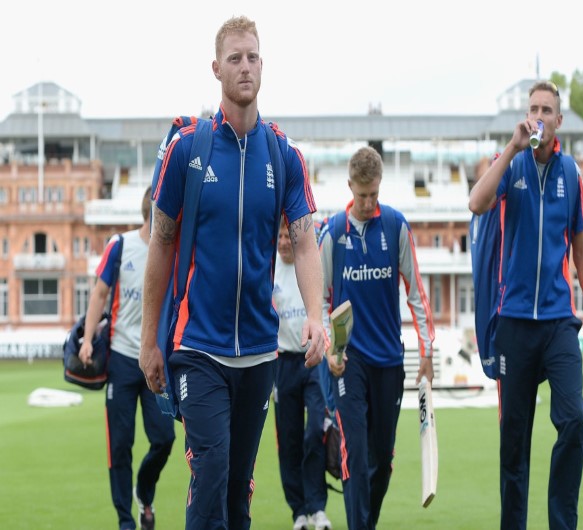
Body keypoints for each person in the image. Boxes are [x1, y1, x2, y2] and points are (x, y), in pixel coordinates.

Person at [139, 15, 325, 530]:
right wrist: (149, 341)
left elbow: (306, 239)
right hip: (198, 347)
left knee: (239, 494)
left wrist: (316, 315)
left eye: (253, 57)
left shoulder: (283, 154)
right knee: (212, 472)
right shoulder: (187, 149)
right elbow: (162, 243)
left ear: (263, 66)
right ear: (216, 68)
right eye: (235, 58)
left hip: (260, 352)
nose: (245, 67)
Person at [468, 80, 583, 530]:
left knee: (574, 421)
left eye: (547, 109)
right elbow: (476, 201)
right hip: (513, 324)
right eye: (533, 108)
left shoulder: (570, 174)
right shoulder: (511, 164)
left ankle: (562, 523)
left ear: (559, 120)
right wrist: (511, 147)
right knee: (514, 445)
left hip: (559, 324)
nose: (539, 115)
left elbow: (581, 248)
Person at [319, 146, 435, 529]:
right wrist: (330, 350)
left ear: (380, 186)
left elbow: (416, 293)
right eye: (361, 194)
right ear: (350, 185)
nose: (368, 202)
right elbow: (319, 302)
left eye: (374, 194)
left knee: (382, 460)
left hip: (389, 361)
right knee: (354, 453)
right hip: (348, 363)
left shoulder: (396, 227)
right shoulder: (333, 234)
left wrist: (427, 352)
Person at [79, 186, 175, 530]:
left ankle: (144, 493)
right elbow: (100, 293)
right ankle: (125, 522)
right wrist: (87, 339)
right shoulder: (120, 246)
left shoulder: (172, 251)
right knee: (119, 446)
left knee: (164, 439)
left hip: (156, 360)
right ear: (149, 213)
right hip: (120, 358)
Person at [272, 218, 332, 530]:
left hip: (313, 362)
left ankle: (318, 507)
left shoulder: (310, 264)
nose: (284, 241)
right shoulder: (269, 271)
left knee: (314, 434)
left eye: (287, 235)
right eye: (279, 235)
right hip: (283, 364)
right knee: (290, 438)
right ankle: (299, 512)